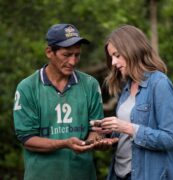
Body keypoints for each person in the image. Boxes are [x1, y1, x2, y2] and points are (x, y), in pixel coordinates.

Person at [13, 23, 117, 180]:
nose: (73, 61)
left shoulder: (90, 85)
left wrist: (94, 142)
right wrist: (64, 143)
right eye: (66, 55)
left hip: (82, 174)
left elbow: (96, 128)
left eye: (77, 55)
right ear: (49, 52)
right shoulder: (27, 87)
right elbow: (27, 139)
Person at [92, 25, 173, 180]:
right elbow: (127, 134)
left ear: (132, 50)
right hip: (118, 174)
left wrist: (127, 127)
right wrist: (109, 132)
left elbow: (172, 139)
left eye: (117, 55)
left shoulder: (159, 84)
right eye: (111, 56)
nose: (113, 62)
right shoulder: (126, 87)